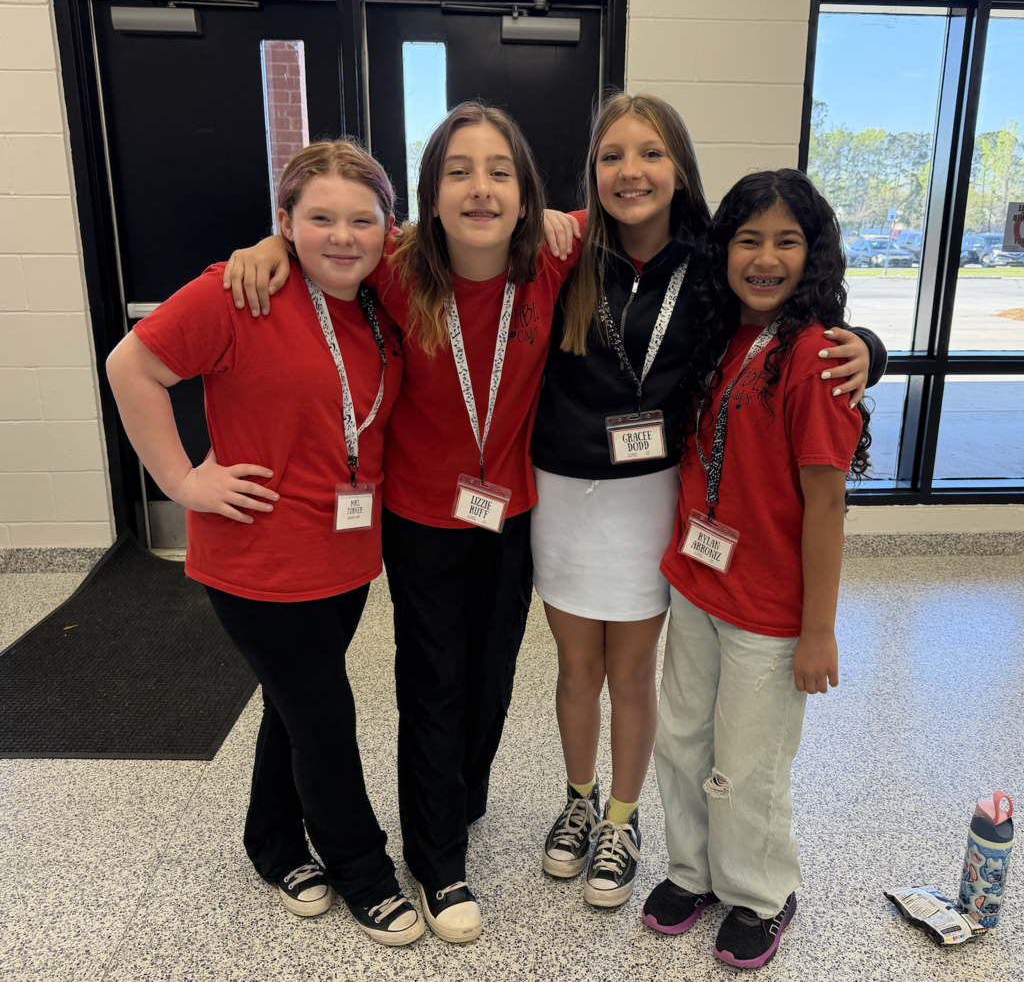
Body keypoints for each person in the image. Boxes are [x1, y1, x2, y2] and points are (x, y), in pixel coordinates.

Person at [221, 102, 580, 943]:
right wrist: (268, 244)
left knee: (491, 681)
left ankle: (457, 796)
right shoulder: (396, 262)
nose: (480, 188)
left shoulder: (553, 255)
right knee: (434, 683)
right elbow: (322, 234)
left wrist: (849, 336)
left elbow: (668, 231)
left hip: (512, 516)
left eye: (499, 171)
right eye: (458, 171)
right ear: (428, 195)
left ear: (526, 193)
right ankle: (437, 860)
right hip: (420, 519)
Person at [530, 93, 886, 909]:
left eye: (651, 153)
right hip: (588, 507)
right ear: (592, 171)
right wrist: (279, 239)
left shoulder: (712, 265)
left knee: (659, 694)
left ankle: (649, 837)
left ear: (682, 170)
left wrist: (869, 346)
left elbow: (796, 328)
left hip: (668, 513)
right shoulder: (568, 248)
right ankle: (611, 822)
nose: (632, 171)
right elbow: (436, 243)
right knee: (610, 689)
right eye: (613, 155)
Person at [105, 140, 424, 946]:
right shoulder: (238, 291)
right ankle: (361, 868)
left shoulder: (380, 300)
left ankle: (273, 842)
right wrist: (180, 481)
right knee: (325, 714)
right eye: (319, 219)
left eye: (362, 220)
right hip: (257, 557)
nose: (342, 236)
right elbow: (130, 367)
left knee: (294, 706)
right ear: (285, 221)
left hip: (345, 554)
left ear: (389, 229)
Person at [642, 168, 871, 969]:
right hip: (698, 585)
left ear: (814, 254)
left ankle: (760, 893)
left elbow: (827, 505)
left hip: (770, 612)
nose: (766, 258)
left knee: (749, 766)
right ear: (723, 250)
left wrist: (819, 632)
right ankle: (693, 872)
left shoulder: (816, 359)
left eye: (786, 241)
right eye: (748, 240)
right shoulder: (717, 336)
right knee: (682, 743)